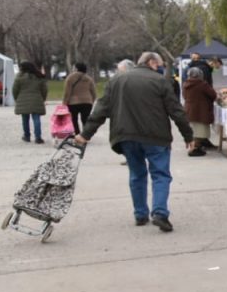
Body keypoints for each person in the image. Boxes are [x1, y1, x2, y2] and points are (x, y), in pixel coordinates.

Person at [75, 52, 196, 232]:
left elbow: (101, 109)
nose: (160, 67)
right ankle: (160, 213)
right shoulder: (161, 81)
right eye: (159, 64)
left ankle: (140, 214)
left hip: (126, 136)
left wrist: (85, 134)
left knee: (136, 174)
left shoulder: (116, 81)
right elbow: (176, 111)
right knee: (160, 175)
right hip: (156, 136)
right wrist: (188, 136)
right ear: (152, 62)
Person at [182, 67, 217, 156]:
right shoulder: (202, 84)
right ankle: (195, 149)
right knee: (200, 130)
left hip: (189, 109)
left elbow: (184, 96)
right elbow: (213, 94)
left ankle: (198, 145)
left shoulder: (185, 84)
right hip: (201, 110)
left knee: (194, 130)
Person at [13, 61, 48, 144]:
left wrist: (17, 99)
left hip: (23, 99)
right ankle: (38, 137)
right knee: (36, 119)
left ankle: (27, 136)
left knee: (25, 119)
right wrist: (42, 98)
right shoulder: (39, 76)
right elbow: (44, 90)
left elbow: (15, 89)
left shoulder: (19, 77)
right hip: (37, 99)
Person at [62, 62, 98, 135]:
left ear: (76, 68)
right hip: (87, 102)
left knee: (74, 119)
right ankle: (85, 135)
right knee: (85, 119)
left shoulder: (70, 78)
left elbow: (67, 92)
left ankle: (77, 133)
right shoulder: (89, 78)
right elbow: (93, 92)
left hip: (73, 102)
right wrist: (92, 101)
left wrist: (64, 103)